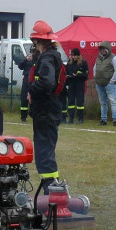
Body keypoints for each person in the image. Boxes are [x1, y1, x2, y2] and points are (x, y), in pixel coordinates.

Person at [27, 20, 66, 191]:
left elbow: (46, 82)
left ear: (38, 41)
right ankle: (53, 189)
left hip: (45, 110)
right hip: (49, 109)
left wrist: (32, 92)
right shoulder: (53, 56)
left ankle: (52, 191)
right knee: (46, 152)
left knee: (44, 154)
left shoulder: (47, 58)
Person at [93, 41, 116, 126]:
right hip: (99, 84)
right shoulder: (98, 58)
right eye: (101, 49)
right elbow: (94, 69)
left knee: (113, 102)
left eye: (104, 49)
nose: (102, 51)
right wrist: (96, 78)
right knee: (103, 103)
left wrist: (112, 82)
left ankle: (115, 120)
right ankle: (103, 120)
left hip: (110, 85)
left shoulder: (114, 58)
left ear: (108, 49)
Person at [64, 48, 89, 123]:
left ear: (79, 55)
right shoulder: (69, 63)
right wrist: (69, 76)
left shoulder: (83, 62)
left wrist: (79, 74)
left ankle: (80, 118)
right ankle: (71, 118)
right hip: (71, 84)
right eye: (73, 55)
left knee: (80, 102)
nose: (74, 57)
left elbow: (86, 74)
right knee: (71, 102)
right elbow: (66, 71)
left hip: (79, 84)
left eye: (76, 55)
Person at [13, 45, 37, 122]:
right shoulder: (27, 59)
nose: (33, 52)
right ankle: (23, 117)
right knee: (24, 98)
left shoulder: (38, 59)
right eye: (32, 51)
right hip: (26, 80)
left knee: (34, 98)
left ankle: (34, 115)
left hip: (34, 81)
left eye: (34, 51)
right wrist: (26, 60)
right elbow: (20, 66)